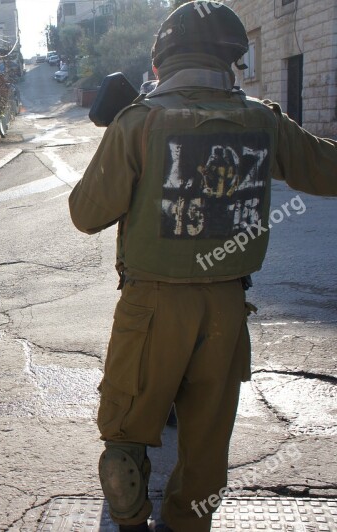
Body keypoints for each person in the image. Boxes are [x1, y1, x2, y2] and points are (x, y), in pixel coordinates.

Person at [67, 3, 337, 531]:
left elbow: (85, 214)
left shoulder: (138, 123)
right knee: (207, 451)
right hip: (227, 308)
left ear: (163, 59)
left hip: (151, 307)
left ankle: (132, 523)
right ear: (234, 57)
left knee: (123, 444)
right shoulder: (265, 121)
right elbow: (326, 171)